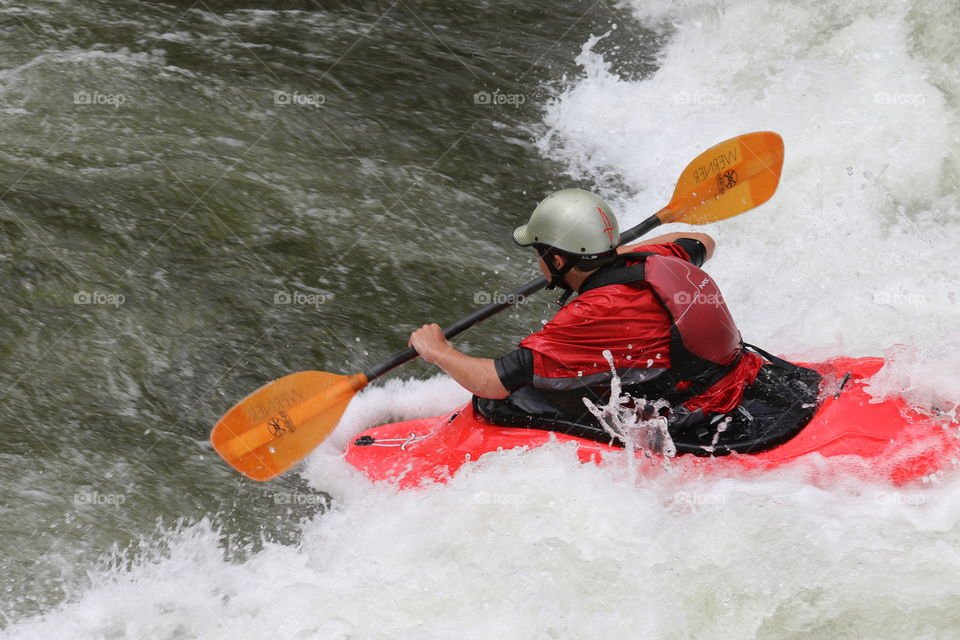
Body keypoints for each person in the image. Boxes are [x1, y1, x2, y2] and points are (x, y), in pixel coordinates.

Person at [408, 188, 821, 455]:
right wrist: (615, 254)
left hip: (702, 416)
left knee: (510, 400)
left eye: (540, 251)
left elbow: (494, 380)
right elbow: (703, 242)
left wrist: (438, 351)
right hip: (747, 380)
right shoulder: (660, 259)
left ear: (556, 260)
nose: (537, 261)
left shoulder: (588, 314)